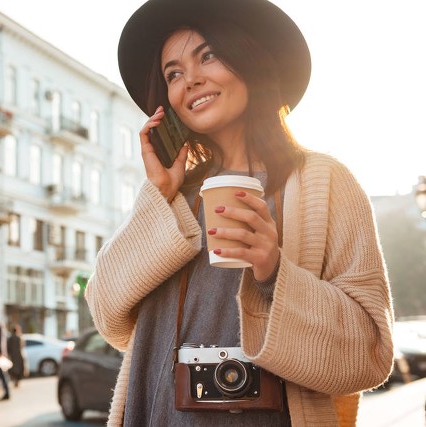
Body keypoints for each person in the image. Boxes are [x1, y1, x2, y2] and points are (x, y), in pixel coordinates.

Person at [84, 0, 394, 425]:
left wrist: (273, 272)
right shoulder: (172, 195)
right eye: (173, 73)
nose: (190, 79)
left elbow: (369, 355)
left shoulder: (322, 182)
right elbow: (107, 315)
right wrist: (158, 197)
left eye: (207, 55)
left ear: (249, 56)